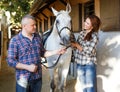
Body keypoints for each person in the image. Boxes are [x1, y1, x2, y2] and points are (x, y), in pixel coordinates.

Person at [7, 14, 66, 92]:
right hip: (23, 79)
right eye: (32, 25)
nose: (35, 27)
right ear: (24, 26)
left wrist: (56, 51)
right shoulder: (15, 40)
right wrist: (27, 67)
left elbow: (42, 52)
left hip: (37, 78)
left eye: (35, 24)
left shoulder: (37, 37)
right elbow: (10, 61)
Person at [71, 15, 101, 92]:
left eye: (87, 23)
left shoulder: (95, 36)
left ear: (92, 26)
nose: (84, 23)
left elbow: (89, 52)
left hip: (89, 65)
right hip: (79, 64)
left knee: (90, 88)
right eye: (85, 21)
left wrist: (77, 45)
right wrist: (72, 45)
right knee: (83, 87)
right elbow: (76, 49)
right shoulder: (81, 33)